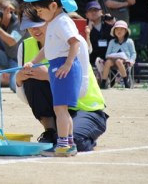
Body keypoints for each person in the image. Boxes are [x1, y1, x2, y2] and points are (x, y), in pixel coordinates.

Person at [16, 10, 108, 152]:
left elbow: (82, 91)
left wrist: (49, 76)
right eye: (29, 25)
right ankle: (51, 131)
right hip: (61, 111)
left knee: (75, 141)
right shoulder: (25, 46)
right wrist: (19, 80)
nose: (34, 29)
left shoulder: (77, 43)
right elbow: (29, 98)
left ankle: (72, 136)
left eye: (39, 23)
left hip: (87, 108)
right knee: (59, 139)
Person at [23, 0, 83, 157]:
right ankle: (69, 144)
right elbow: (48, 49)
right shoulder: (53, 22)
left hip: (64, 68)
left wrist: (68, 64)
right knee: (61, 109)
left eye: (40, 11)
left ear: (53, 6)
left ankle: (63, 145)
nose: (38, 15)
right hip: (58, 67)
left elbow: (75, 43)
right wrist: (33, 62)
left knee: (60, 110)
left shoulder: (63, 21)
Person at [100, 20, 136, 89]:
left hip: (125, 61)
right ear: (114, 31)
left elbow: (133, 53)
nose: (119, 31)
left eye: (122, 29)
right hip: (113, 60)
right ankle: (103, 82)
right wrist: (112, 56)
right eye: (117, 29)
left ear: (126, 31)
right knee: (107, 62)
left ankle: (125, 81)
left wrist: (131, 61)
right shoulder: (112, 42)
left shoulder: (129, 41)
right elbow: (107, 54)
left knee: (119, 61)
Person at [85, 0, 115, 66]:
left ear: (101, 12)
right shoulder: (85, 27)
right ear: (86, 15)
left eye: (96, 10)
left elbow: (122, 37)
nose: (93, 12)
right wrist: (88, 32)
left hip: (109, 59)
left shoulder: (108, 23)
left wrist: (114, 24)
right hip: (91, 61)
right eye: (90, 10)